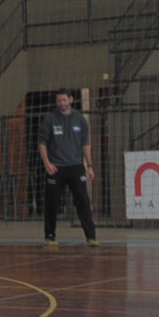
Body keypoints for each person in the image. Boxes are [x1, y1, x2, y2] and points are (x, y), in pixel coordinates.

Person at [38, 90, 99, 247]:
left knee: (83, 201)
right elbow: (42, 143)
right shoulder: (50, 119)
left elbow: (85, 144)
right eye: (59, 101)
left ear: (71, 100)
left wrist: (89, 165)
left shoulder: (80, 119)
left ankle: (91, 237)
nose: (62, 103)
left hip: (76, 167)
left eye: (64, 100)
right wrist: (47, 163)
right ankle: (50, 236)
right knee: (51, 203)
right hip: (56, 168)